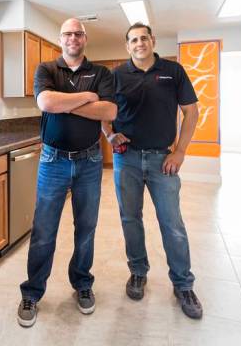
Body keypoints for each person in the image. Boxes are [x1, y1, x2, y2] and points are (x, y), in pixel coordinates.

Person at [17, 18, 117, 328]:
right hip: (53, 161)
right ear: (60, 39)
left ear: (85, 38)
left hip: (89, 162)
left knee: (85, 227)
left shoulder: (101, 73)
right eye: (67, 34)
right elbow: (46, 101)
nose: (73, 38)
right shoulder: (46, 70)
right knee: (44, 229)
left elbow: (109, 112)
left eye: (78, 33)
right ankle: (32, 292)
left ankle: (82, 284)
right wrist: (87, 98)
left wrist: (65, 104)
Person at [101, 22, 203, 319]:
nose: (139, 43)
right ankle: (138, 272)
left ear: (152, 40)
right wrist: (109, 135)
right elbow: (102, 110)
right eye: (133, 40)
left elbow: (191, 111)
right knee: (130, 219)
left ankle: (183, 284)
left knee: (172, 223)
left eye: (143, 38)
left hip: (163, 161)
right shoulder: (116, 75)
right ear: (127, 45)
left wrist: (180, 151)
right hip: (126, 159)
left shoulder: (173, 71)